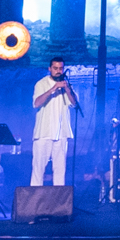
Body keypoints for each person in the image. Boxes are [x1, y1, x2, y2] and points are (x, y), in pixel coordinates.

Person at [31, 56, 76, 186]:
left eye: (61, 68)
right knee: (38, 169)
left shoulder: (67, 84)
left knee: (60, 170)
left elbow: (74, 103)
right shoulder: (41, 84)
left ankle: (59, 203)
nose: (58, 71)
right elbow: (36, 103)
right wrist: (53, 89)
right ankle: (35, 201)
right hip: (43, 133)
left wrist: (66, 89)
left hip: (61, 134)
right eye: (55, 68)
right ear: (49, 69)